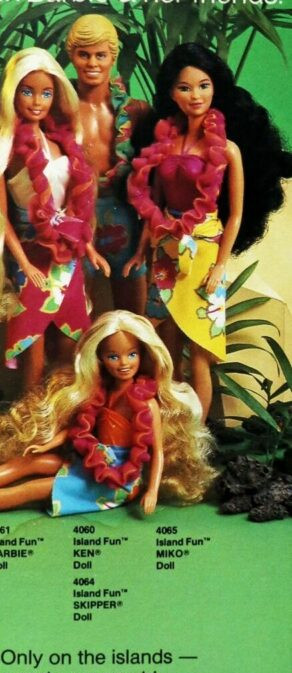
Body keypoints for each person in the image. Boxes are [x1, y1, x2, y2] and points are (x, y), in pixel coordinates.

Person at [124, 42, 291, 421]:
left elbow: (235, 215)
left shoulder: (228, 150)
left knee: (200, 349)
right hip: (167, 253)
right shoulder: (163, 145)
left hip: (204, 252)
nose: (195, 96)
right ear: (171, 93)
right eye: (184, 88)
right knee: (165, 344)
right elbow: (154, 206)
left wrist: (220, 265)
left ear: (216, 88)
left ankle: (196, 433)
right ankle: (171, 427)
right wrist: (140, 252)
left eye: (203, 86)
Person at [0, 310, 215, 514]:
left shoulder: (146, 403)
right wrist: (48, 444)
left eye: (132, 355)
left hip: (117, 479)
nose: (124, 363)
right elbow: (80, 429)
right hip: (90, 460)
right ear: (100, 359)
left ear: (143, 355)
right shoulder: (102, 392)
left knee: (30, 490)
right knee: (26, 463)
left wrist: (151, 491)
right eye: (113, 356)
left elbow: (158, 452)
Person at [0, 48, 109, 390]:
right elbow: (0, 217)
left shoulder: (61, 141)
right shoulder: (5, 148)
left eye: (46, 93)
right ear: (13, 93)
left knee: (70, 341)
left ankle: (61, 412)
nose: (37, 101)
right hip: (32, 254)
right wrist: (23, 264)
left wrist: (90, 248)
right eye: (28, 91)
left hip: (67, 256)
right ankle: (30, 412)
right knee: (32, 340)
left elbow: (74, 205)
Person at [65, 14, 148, 315]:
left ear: (113, 56)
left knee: (135, 314)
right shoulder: (59, 107)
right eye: (83, 55)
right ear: (71, 56)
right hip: (74, 216)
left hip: (122, 215)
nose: (92, 63)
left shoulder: (136, 111)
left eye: (100, 55)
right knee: (75, 313)